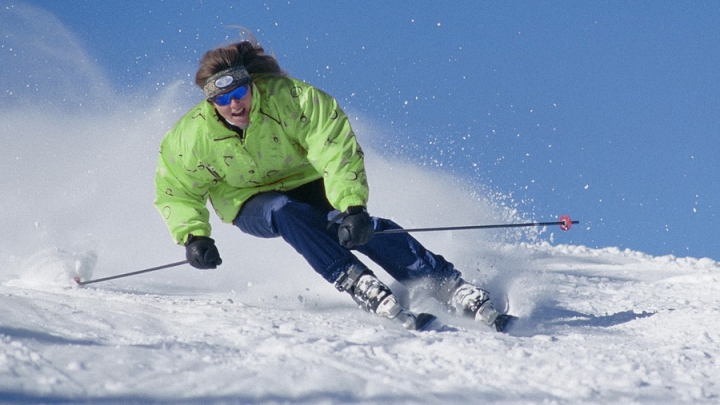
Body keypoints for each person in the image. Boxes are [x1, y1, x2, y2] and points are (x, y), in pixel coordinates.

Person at [154, 32, 513, 331]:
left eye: (240, 93)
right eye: (223, 100)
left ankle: (444, 284)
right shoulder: (191, 137)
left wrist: (352, 206)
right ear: (211, 103)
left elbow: (333, 145)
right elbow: (176, 188)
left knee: (349, 226)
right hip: (249, 201)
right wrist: (194, 236)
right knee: (283, 211)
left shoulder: (290, 99)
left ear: (251, 85)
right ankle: (354, 279)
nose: (235, 105)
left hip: (307, 181)